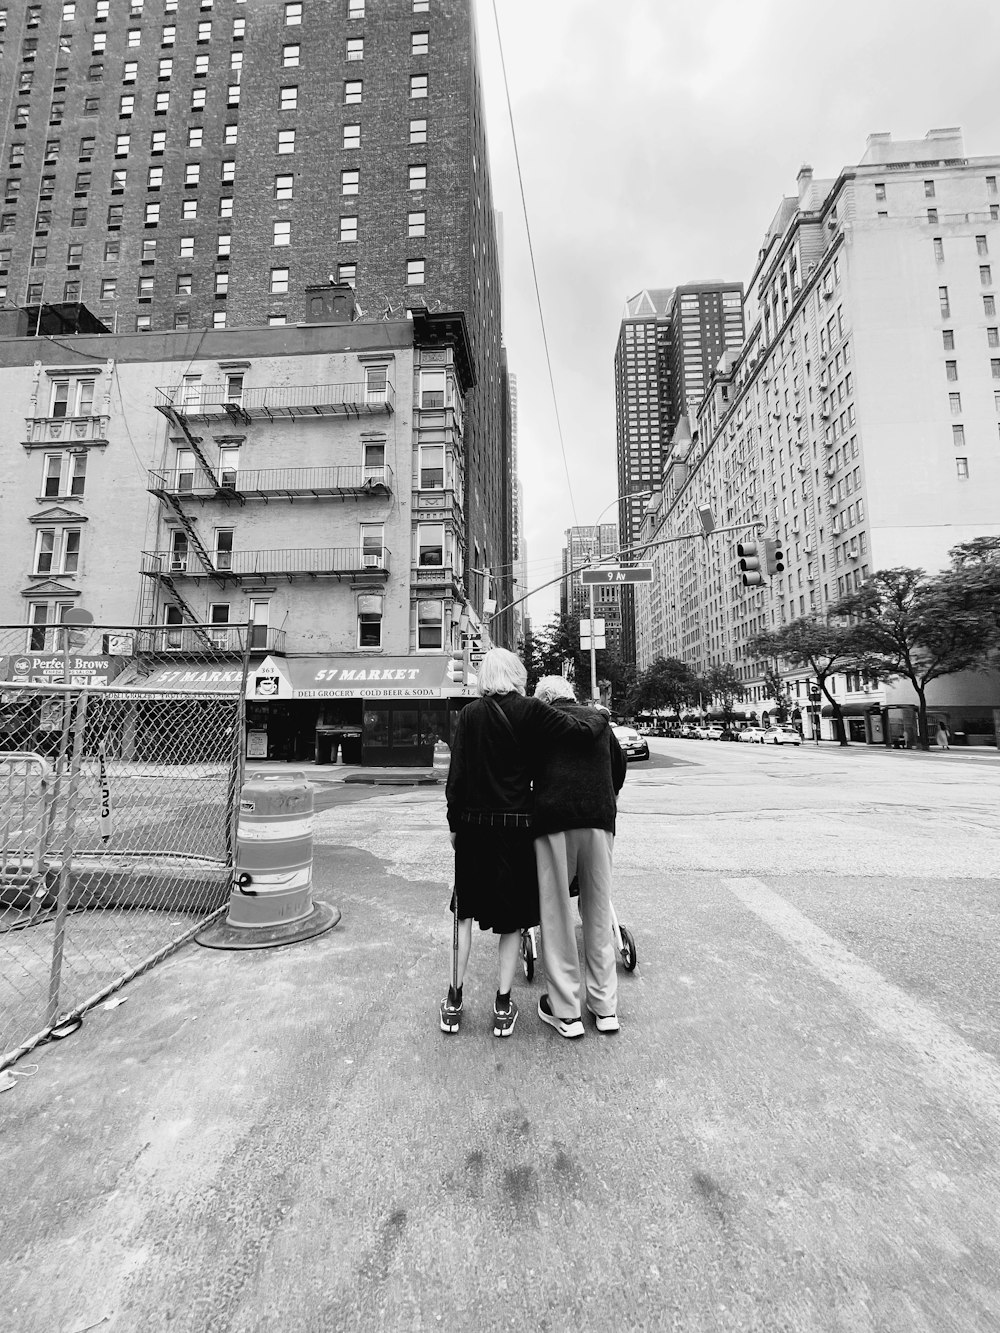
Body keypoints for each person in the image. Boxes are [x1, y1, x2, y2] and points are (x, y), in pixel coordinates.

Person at [442, 649, 609, 1038]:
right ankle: (503, 1005)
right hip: (516, 828)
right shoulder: (530, 709)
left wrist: (454, 826)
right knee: (512, 921)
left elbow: (457, 778)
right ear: (516, 674)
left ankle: (454, 1001)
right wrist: (600, 715)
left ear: (484, 676)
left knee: (463, 915)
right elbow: (579, 731)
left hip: (472, 828)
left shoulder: (468, 715)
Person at [531, 676, 627, 1038]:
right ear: (571, 695)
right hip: (599, 821)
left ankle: (566, 1012)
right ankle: (605, 1009)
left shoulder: (540, 724)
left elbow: (525, 773)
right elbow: (618, 770)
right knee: (598, 911)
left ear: (544, 701)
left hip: (553, 821)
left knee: (556, 913)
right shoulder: (601, 723)